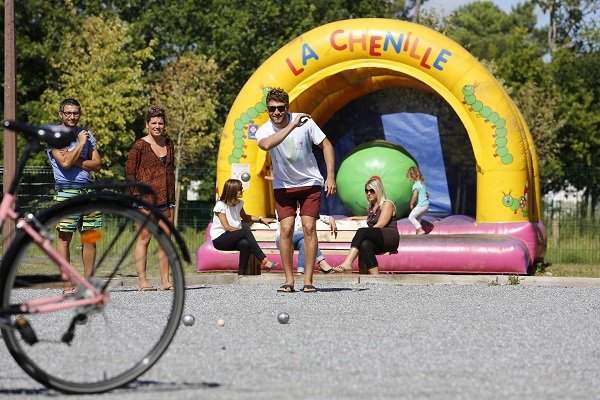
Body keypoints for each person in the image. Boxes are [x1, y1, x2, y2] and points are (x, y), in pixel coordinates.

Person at [256, 87, 336, 293]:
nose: (276, 113)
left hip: (310, 182)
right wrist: (292, 125)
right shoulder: (265, 129)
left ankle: (308, 281)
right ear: (268, 109)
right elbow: (266, 145)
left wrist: (330, 176)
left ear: (287, 107)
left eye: (280, 108)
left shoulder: (306, 123)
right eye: (272, 109)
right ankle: (289, 280)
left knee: (309, 227)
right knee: (286, 229)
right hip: (283, 185)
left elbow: (327, 145)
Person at [47, 98, 102, 295]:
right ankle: (67, 283)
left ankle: (88, 284)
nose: (72, 116)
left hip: (88, 191)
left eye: (75, 113)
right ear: (61, 114)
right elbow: (64, 164)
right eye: (68, 113)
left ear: (80, 114)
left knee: (91, 237)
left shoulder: (87, 133)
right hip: (65, 191)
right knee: (64, 238)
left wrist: (73, 156)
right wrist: (81, 144)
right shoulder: (55, 135)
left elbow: (97, 164)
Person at [126, 107, 176, 291]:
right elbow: (130, 172)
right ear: (147, 124)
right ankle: (143, 281)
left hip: (167, 198)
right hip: (145, 199)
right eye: (153, 123)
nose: (157, 126)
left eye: (160, 123)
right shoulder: (139, 145)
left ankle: (165, 280)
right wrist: (136, 196)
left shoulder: (169, 143)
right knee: (144, 239)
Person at [333, 176, 399, 275]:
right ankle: (376, 278)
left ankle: (347, 263)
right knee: (365, 245)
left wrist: (366, 233)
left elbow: (380, 224)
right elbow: (370, 218)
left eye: (372, 190)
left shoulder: (387, 204)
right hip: (380, 238)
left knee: (362, 231)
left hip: (390, 237)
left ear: (378, 190)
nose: (369, 193)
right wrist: (354, 217)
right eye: (366, 191)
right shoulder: (372, 207)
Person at [210, 179, 277, 276]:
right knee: (245, 232)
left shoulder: (239, 203)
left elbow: (245, 217)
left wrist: (261, 219)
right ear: (232, 190)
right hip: (220, 239)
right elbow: (227, 227)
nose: (242, 190)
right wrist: (242, 232)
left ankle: (241, 274)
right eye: (240, 189)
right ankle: (264, 260)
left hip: (232, 237)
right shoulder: (220, 205)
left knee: (244, 244)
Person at [274, 209, 336, 274]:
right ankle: (322, 262)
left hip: (299, 239)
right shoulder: (285, 204)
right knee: (308, 234)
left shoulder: (303, 206)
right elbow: (287, 227)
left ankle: (300, 271)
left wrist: (328, 218)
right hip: (282, 239)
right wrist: (301, 229)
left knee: (304, 242)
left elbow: (311, 216)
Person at [406, 166, 429, 235]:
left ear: (411, 176)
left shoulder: (415, 185)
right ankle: (418, 232)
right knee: (418, 218)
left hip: (421, 205)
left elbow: (415, 195)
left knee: (411, 217)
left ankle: (420, 230)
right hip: (426, 205)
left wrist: (411, 204)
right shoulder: (422, 184)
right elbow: (427, 194)